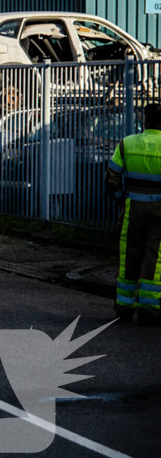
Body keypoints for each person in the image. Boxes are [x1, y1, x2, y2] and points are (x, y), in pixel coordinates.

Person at [106, 103, 161, 325]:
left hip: (132, 208)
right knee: (155, 258)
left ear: (145, 120)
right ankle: (149, 310)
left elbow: (111, 176)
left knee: (129, 255)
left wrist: (121, 198)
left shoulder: (127, 144)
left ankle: (124, 308)